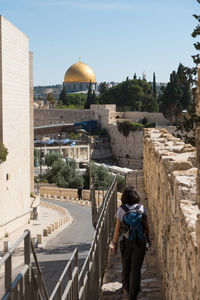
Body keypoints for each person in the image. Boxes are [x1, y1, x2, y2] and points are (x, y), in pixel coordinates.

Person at [112, 186, 151, 300]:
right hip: (140, 241)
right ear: (136, 196)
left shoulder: (121, 209)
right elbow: (146, 226)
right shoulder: (141, 208)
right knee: (136, 268)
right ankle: (134, 294)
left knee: (126, 265)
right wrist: (149, 239)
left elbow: (117, 228)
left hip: (126, 242)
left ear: (124, 196)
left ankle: (127, 288)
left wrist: (114, 244)